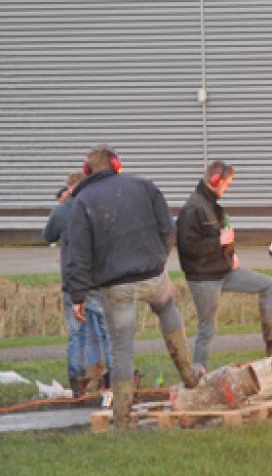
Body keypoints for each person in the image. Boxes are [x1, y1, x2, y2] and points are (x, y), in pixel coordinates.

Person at [64, 144, 201, 428]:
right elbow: (167, 229)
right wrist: (159, 257)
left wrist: (77, 295)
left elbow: (77, 253)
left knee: (122, 350)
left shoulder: (82, 200)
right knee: (167, 311)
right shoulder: (144, 186)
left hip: (116, 286)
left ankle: (123, 419)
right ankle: (189, 375)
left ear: (87, 170)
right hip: (153, 274)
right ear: (117, 164)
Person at [176, 161, 272, 371]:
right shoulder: (193, 208)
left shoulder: (212, 205)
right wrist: (218, 243)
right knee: (207, 328)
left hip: (223, 270)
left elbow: (221, 235)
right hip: (204, 278)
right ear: (215, 180)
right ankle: (197, 375)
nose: (227, 188)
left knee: (267, 284)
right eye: (227, 184)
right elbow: (187, 248)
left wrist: (231, 254)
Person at [43, 171, 112, 397]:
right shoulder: (101, 209)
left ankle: (76, 382)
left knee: (76, 335)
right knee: (106, 333)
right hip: (98, 282)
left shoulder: (62, 212)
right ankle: (111, 380)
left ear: (70, 189)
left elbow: (47, 236)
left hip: (73, 283)